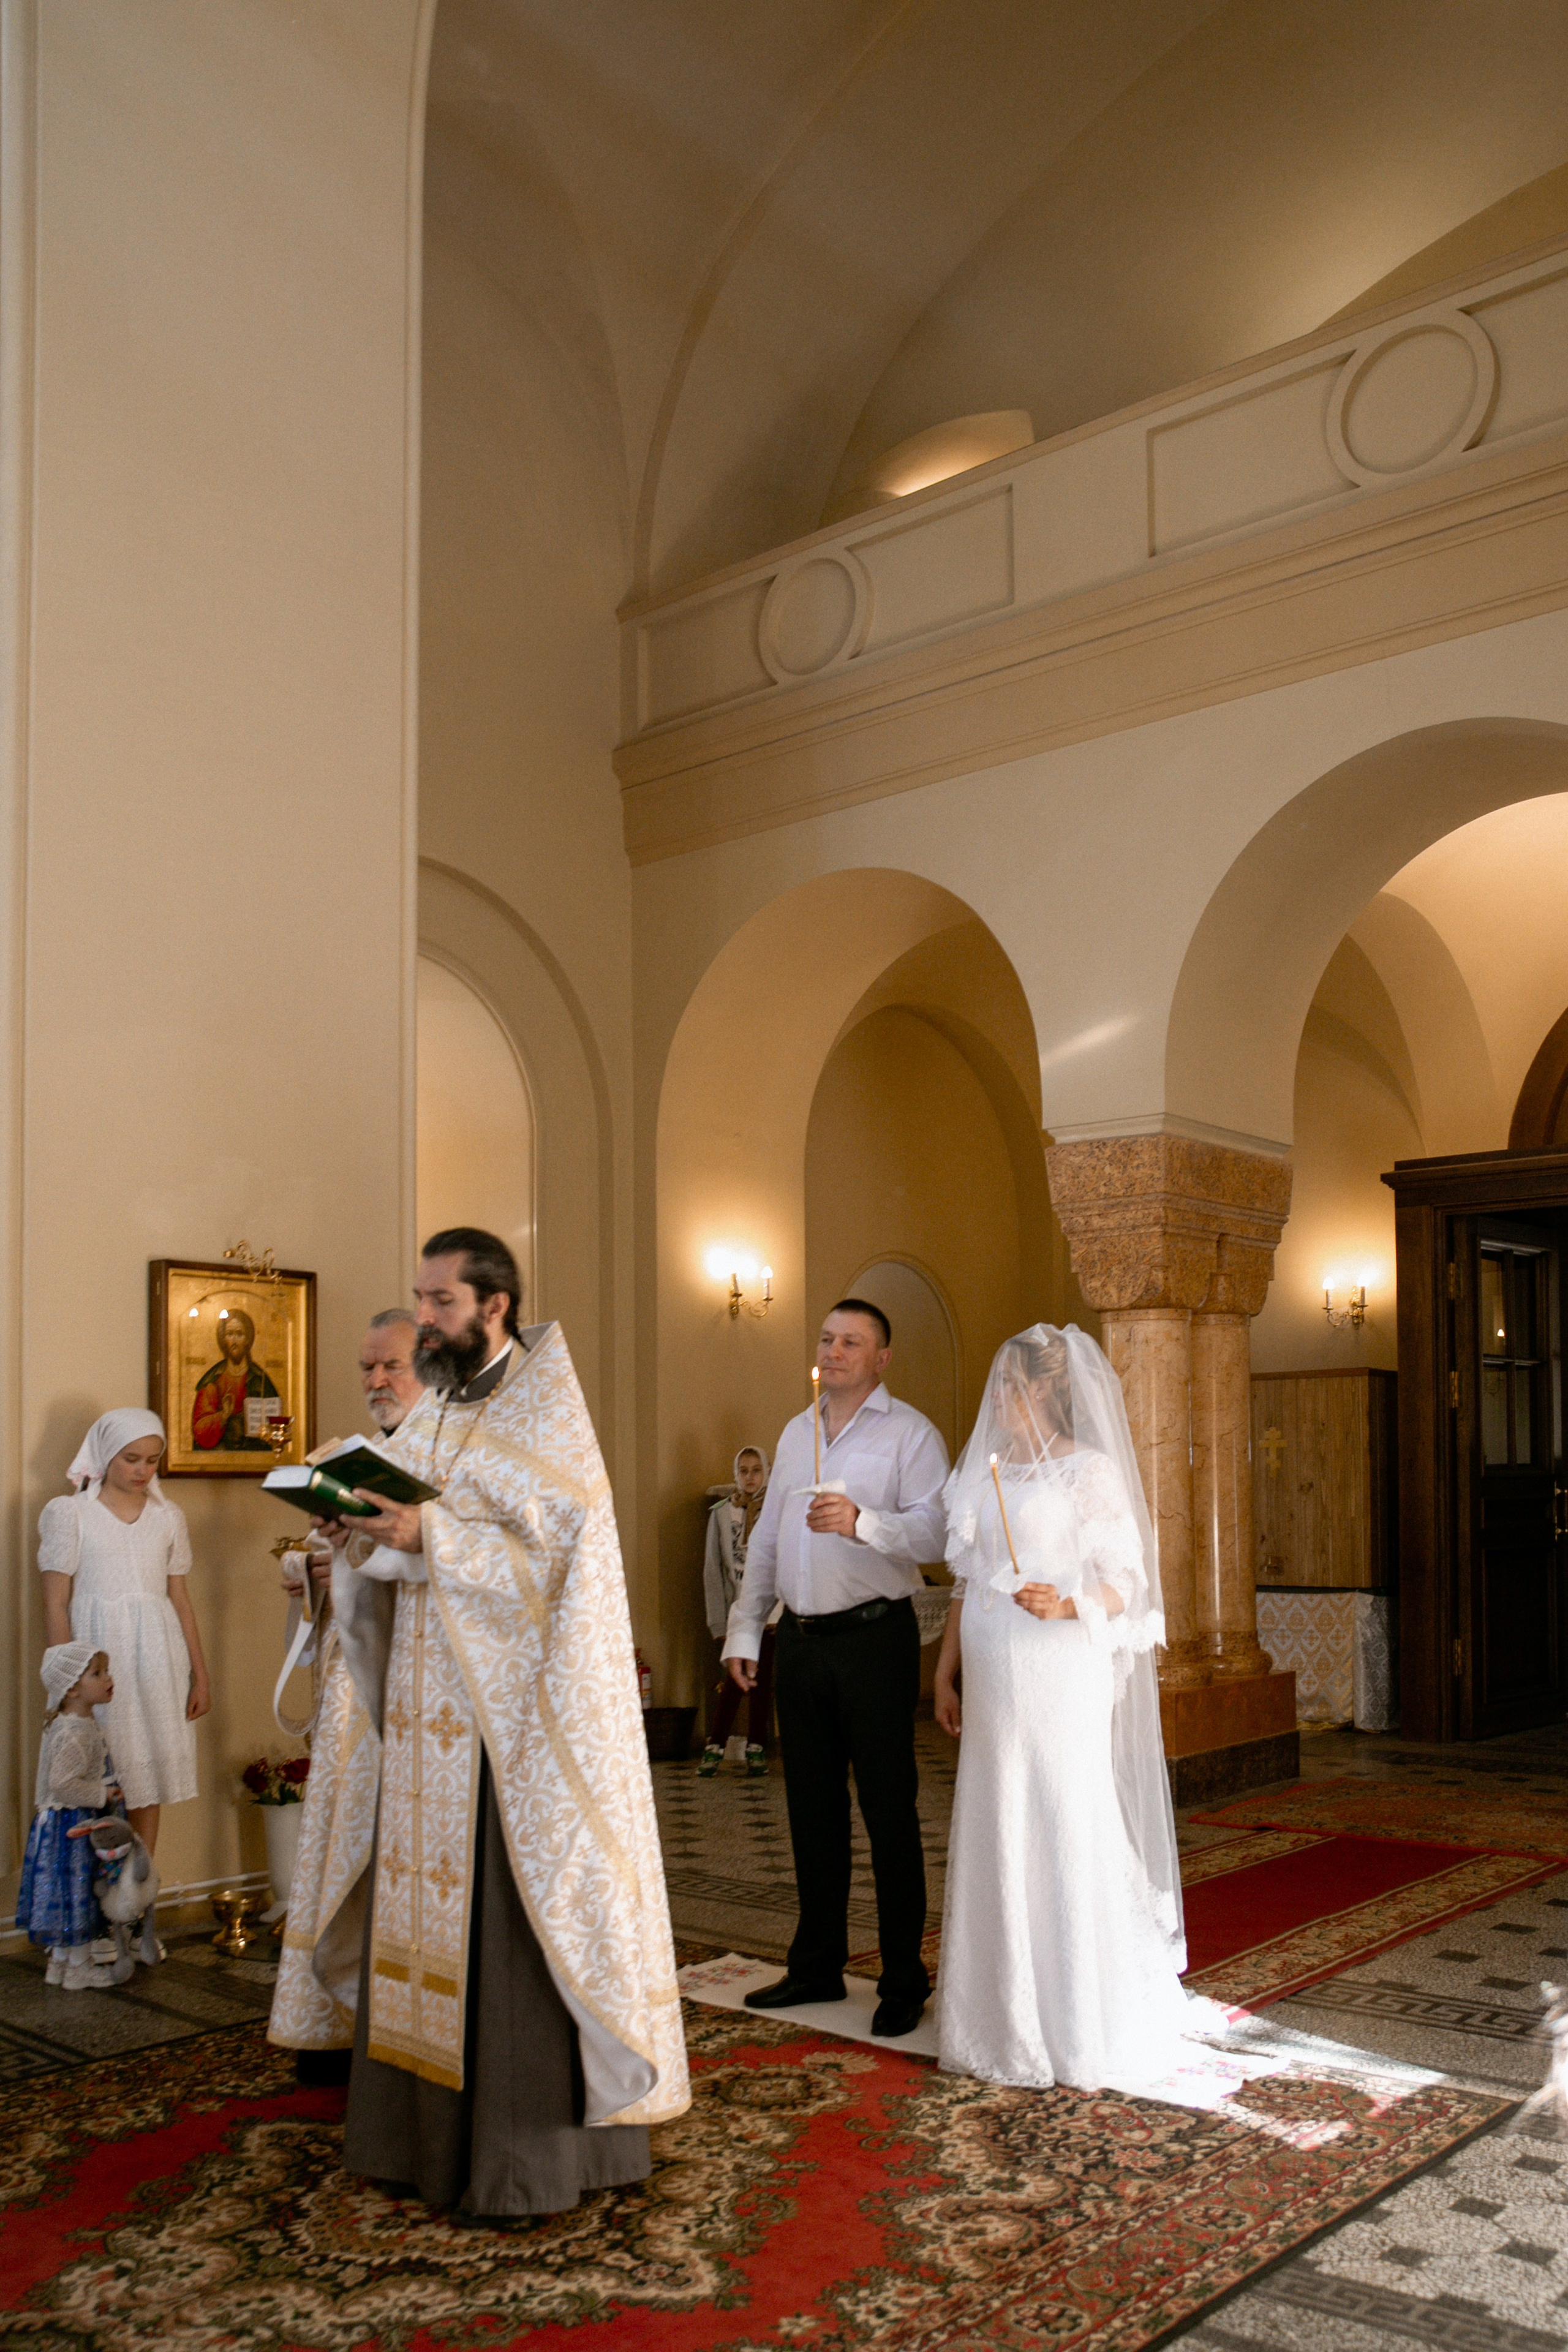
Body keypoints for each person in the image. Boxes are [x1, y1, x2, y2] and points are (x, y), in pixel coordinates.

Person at [321, 1228, 687, 2215]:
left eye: (442, 1302)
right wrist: (358, 1529)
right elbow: (414, 1541)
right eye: (421, 1299)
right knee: (424, 1919)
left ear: (495, 1305)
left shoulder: (545, 1410)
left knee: (507, 1934)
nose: (426, 1319)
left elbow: (559, 1563)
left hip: (513, 1734)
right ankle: (417, 2146)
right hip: (428, 1707)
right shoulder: (437, 1412)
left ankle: (521, 2162)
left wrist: (425, 1531)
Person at [933, 1325, 1193, 2093]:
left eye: (1012, 1388)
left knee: (1059, 1813)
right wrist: (944, 1674)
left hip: (1056, 1668)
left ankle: (1077, 2018)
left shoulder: (1089, 1473)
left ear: (1045, 1390)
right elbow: (965, 1580)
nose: (1000, 1400)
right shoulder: (979, 1474)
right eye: (998, 1386)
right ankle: (997, 2015)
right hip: (988, 1669)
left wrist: (1070, 1603)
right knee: (996, 1816)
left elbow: (1128, 1585)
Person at [723, 1300, 948, 2038]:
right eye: (828, 1338)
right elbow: (766, 1543)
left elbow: (937, 1530)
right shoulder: (795, 1431)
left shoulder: (910, 1432)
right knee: (811, 1814)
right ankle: (816, 1965)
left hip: (874, 1640)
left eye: (853, 1341)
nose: (837, 1349)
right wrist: (746, 1630)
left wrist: (863, 1524)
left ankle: (902, 1979)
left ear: (882, 1358)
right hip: (805, 1643)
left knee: (888, 1814)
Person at [268, 1308, 427, 2085]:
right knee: (338, 1845)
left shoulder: (451, 1456)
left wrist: (359, 1560)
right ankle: (327, 2022)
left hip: (421, 1687)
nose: (375, 1382)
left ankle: (404, 2025)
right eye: (366, 1369)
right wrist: (317, 1569)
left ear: (426, 1362)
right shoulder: (342, 1457)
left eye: (390, 1367)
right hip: (349, 1685)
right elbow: (302, 1560)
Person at [40, 1409, 209, 1860]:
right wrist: (66, 1680)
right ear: (105, 1456)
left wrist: (201, 1676)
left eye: (152, 1461)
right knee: (104, 1773)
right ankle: (95, 1906)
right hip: (99, 1658)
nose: (142, 1470)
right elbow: (56, 1601)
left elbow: (180, 1598)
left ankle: (138, 1898)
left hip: (157, 1655)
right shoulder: (71, 1514)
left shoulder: (168, 1517)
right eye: (131, 1459)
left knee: (146, 1782)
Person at [17, 1644, 123, 1989]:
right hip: (72, 1825)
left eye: (106, 1671)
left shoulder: (74, 1723)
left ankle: (59, 1963)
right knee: (78, 1892)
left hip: (60, 1824)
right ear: (72, 1689)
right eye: (97, 1674)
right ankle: (79, 1967)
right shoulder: (76, 1732)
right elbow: (62, 1784)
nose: (108, 1679)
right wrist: (102, 1794)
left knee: (64, 1894)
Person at [698, 1446, 774, 1777]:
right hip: (738, 1611)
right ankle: (715, 1744)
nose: (750, 1477)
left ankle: (757, 1746)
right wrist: (718, 1621)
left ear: (767, 1472)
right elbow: (712, 1570)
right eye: (743, 1470)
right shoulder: (722, 1513)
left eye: (756, 1470)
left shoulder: (776, 1510)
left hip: (772, 1612)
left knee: (762, 1679)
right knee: (733, 1680)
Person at [192, 1306, 281, 1450]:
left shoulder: (261, 1380)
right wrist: (223, 1416)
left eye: (239, 1334)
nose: (234, 1340)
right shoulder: (212, 1381)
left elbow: (276, 1429)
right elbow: (199, 1429)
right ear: (223, 1339)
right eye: (229, 1334)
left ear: (248, 1339)